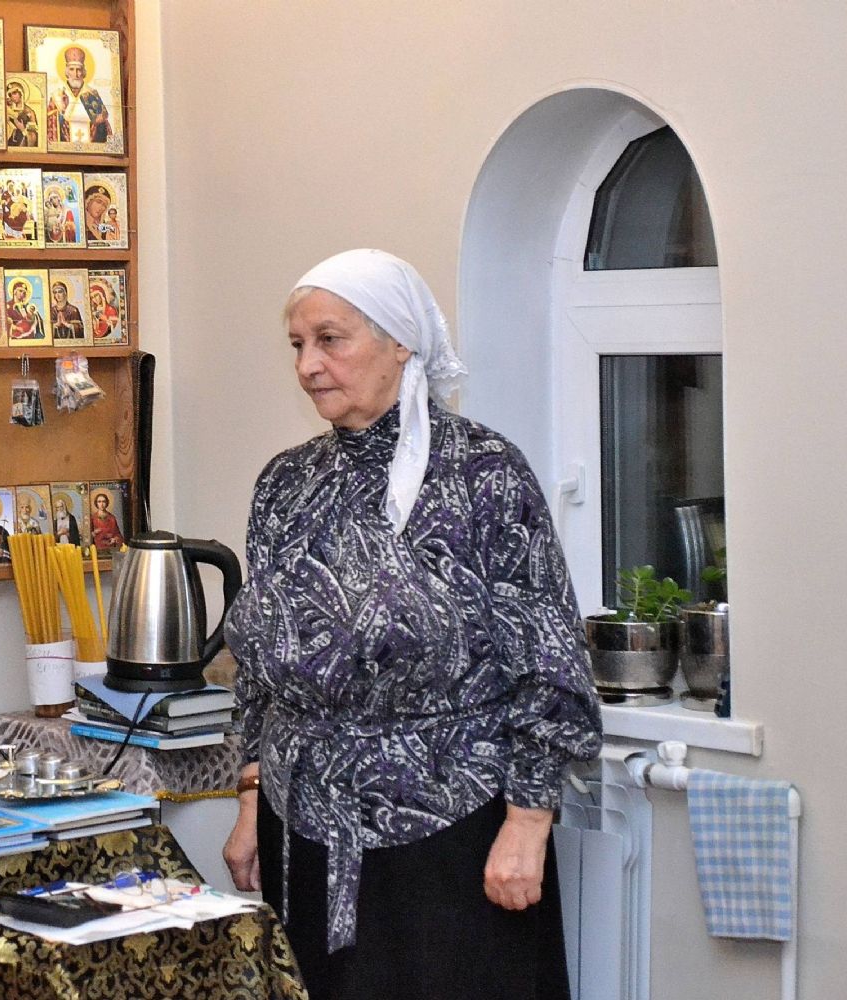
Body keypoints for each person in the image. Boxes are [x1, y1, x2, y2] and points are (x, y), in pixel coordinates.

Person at [220, 249, 601, 1000]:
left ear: (401, 342)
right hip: (303, 829)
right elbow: (261, 672)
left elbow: (550, 659)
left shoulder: (484, 473)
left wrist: (529, 823)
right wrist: (250, 798)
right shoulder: (286, 483)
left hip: (451, 835)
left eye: (330, 340)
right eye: (298, 344)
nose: (307, 365)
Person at [48, 44, 111, 145]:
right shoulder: (58, 95)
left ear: (83, 72)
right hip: (65, 144)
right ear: (67, 72)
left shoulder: (91, 94)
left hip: (92, 145)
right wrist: (61, 112)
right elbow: (50, 125)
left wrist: (99, 119)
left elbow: (103, 126)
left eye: (79, 70)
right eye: (72, 69)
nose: (76, 74)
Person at [6, 78, 39, 147]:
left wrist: (22, 129)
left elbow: (33, 137)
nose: (12, 96)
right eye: (10, 94)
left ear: (21, 94)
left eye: (14, 93)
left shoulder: (29, 112)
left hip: (23, 145)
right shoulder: (9, 111)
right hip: (11, 145)